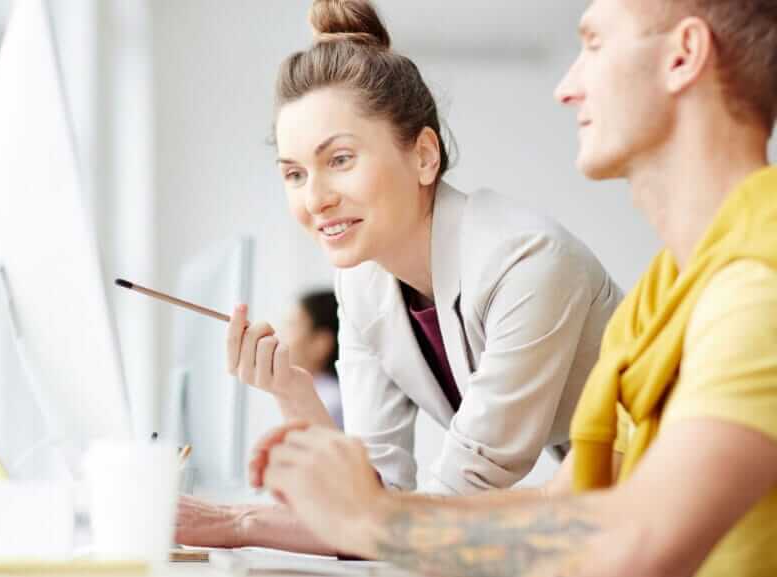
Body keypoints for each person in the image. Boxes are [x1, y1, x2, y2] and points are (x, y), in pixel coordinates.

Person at [253, 0, 777, 575]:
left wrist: (375, 520)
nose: (566, 86)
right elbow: (574, 514)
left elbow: (638, 541)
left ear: (683, 56)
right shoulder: (660, 298)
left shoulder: (759, 286)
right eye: (294, 172)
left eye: (595, 44)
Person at [176, 0, 622, 553]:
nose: (315, 199)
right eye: (294, 173)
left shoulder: (526, 263)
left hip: (678, 505)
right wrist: (296, 394)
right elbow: (375, 495)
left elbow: (450, 502)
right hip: (597, 510)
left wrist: (238, 523)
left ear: (424, 157)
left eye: (340, 159)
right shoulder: (363, 282)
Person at [283, 290, 343, 429]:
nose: (279, 335)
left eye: (292, 326)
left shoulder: (330, 404)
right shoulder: (318, 395)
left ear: (320, 343)